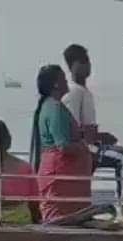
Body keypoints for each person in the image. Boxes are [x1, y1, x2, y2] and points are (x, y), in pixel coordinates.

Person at [62, 44, 123, 226]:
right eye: (82, 62)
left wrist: (101, 136)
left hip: (91, 145)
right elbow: (73, 129)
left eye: (88, 61)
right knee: (122, 156)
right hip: (85, 149)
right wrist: (99, 137)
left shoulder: (84, 92)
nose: (87, 66)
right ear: (72, 65)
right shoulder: (73, 92)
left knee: (119, 153)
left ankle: (117, 208)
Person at [31, 65, 92, 223]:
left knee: (71, 218)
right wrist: (83, 146)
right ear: (56, 84)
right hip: (59, 176)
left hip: (64, 176)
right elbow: (63, 146)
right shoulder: (55, 108)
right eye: (63, 79)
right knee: (60, 220)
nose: (67, 82)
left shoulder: (51, 105)